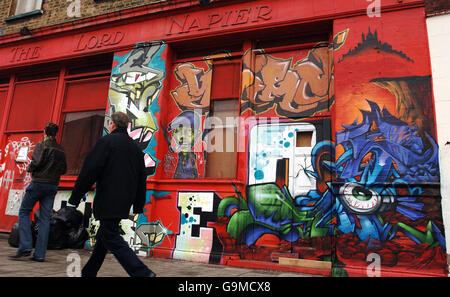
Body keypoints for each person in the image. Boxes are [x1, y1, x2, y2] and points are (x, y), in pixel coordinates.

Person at [67, 112, 155, 277]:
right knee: (104, 236)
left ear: (113, 125)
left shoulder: (106, 142)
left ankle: (142, 273)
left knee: (111, 236)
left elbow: (89, 171)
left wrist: (75, 197)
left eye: (109, 123)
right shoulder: (135, 147)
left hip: (108, 199)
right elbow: (141, 178)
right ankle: (88, 273)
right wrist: (138, 203)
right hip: (125, 200)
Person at [10, 122, 67, 262]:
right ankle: (40, 254)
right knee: (45, 219)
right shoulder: (61, 149)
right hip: (52, 186)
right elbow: (64, 170)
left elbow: (36, 162)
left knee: (24, 211)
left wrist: (30, 170)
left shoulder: (41, 145)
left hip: (38, 183)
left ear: (45, 132)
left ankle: (25, 246)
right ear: (56, 133)